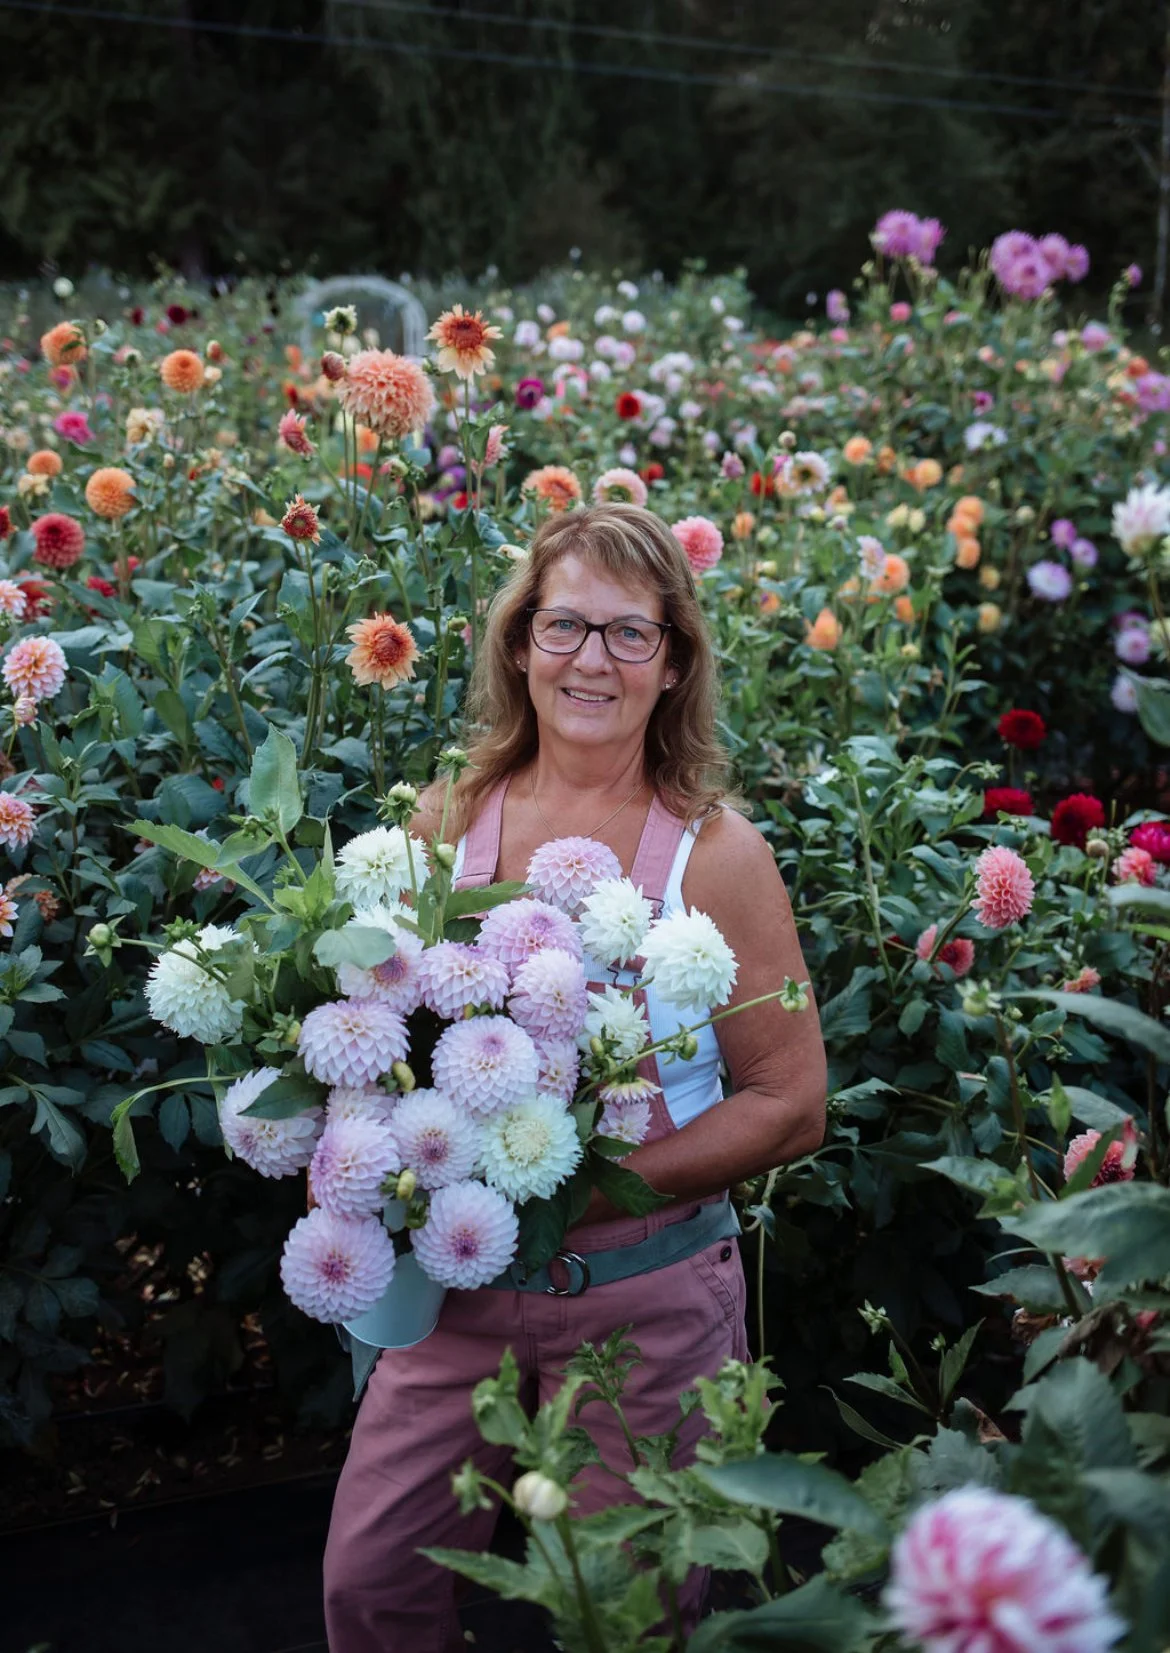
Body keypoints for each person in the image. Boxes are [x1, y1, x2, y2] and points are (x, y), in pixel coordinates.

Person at [323, 502, 826, 1652]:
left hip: (645, 1302)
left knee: (625, 1616)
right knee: (371, 1583)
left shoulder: (721, 853)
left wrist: (597, 1191)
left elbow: (792, 1102)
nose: (591, 660)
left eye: (628, 634)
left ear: (673, 664)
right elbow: (383, 1032)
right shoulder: (448, 821)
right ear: (518, 646)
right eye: (564, 627)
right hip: (455, 1293)